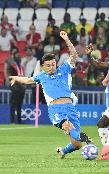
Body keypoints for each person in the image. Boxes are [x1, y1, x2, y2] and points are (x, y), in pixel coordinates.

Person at [9, 31, 93, 159]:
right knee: (67, 126)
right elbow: (27, 80)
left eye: (53, 64)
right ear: (43, 67)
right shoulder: (41, 76)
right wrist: (15, 77)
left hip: (70, 107)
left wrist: (66, 40)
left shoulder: (63, 69)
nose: (51, 67)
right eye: (48, 65)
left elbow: (74, 55)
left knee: (76, 144)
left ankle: (63, 151)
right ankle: (82, 136)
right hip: (56, 109)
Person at [7, 49, 25, 124]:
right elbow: (11, 77)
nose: (19, 57)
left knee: (19, 105)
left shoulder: (21, 67)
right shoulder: (12, 66)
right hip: (15, 87)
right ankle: (12, 121)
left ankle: (19, 121)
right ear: (15, 58)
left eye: (20, 56)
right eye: (17, 56)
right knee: (13, 105)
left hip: (21, 88)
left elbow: (22, 76)